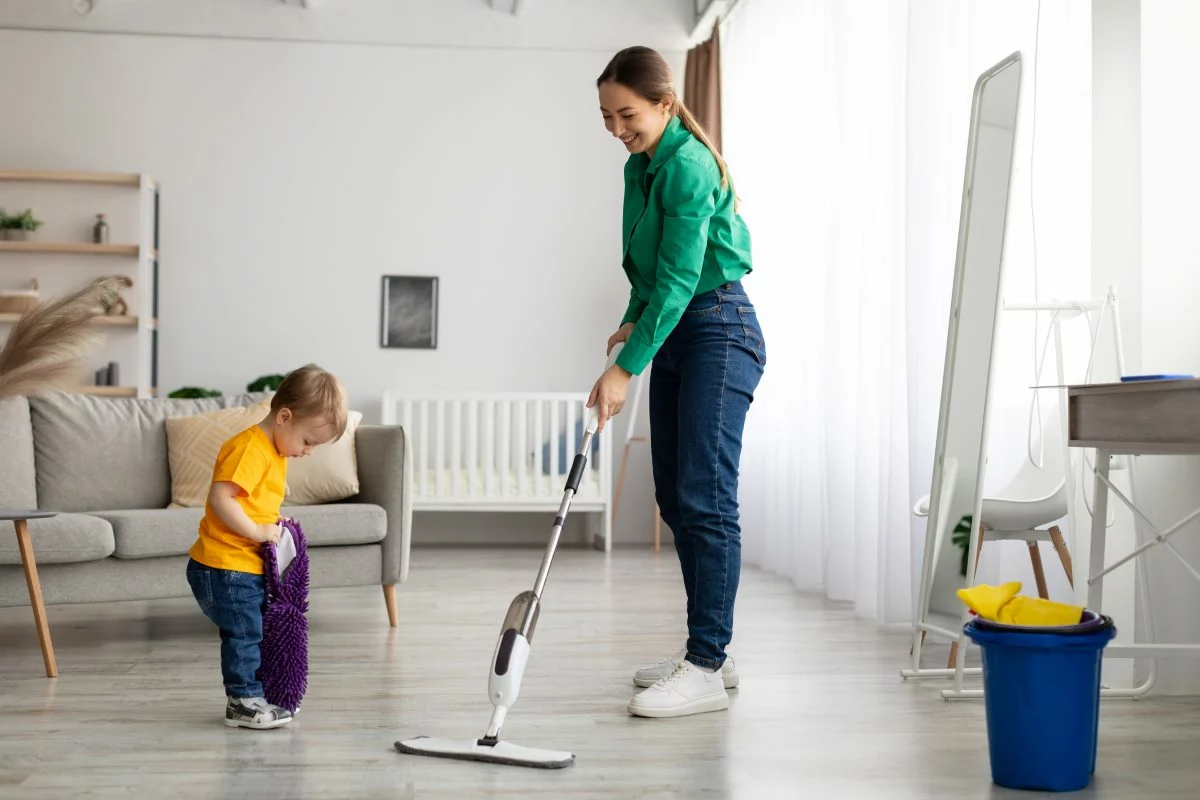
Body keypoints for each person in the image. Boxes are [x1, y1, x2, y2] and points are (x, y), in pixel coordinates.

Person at [588, 46, 767, 720]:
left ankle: (704, 664)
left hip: (721, 328)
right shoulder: (642, 166)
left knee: (706, 497)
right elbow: (650, 268)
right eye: (605, 116)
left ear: (665, 104)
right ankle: (709, 653)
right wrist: (631, 323)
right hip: (681, 328)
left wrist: (625, 367)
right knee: (677, 494)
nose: (616, 128)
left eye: (626, 114)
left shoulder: (688, 165)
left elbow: (688, 276)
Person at [185, 365, 348, 729]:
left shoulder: (273, 451)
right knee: (245, 634)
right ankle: (242, 701)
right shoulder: (249, 449)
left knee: (256, 630)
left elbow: (253, 499)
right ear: (284, 417)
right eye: (308, 442)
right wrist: (257, 531)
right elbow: (221, 498)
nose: (308, 452)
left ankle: (261, 692)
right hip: (224, 566)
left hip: (242, 565)